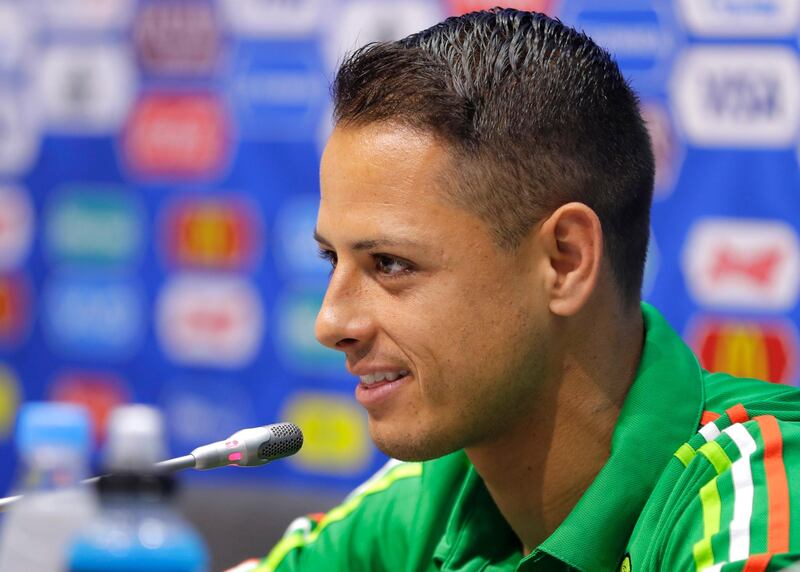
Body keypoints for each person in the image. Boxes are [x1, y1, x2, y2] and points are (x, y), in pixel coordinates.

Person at [231, 9, 800, 572]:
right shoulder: (432, 494)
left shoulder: (755, 496)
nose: (329, 324)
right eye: (331, 258)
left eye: (390, 264)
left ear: (565, 261)